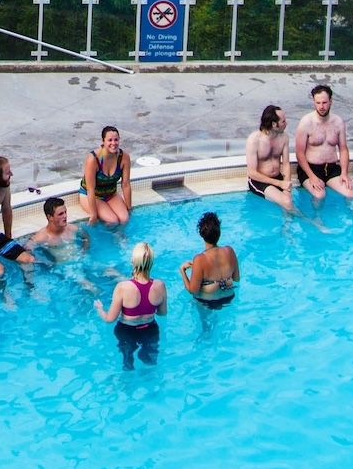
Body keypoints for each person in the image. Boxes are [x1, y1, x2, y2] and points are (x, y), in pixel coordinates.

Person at [97, 241, 167, 369]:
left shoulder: (122, 287)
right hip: (150, 329)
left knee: (128, 362)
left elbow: (109, 319)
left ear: (133, 261)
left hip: (127, 331)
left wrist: (100, 309)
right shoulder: (160, 285)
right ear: (152, 262)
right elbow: (162, 313)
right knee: (150, 363)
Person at [295, 84, 353, 204]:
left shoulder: (338, 122)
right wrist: (311, 176)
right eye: (318, 103)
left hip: (332, 168)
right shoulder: (306, 122)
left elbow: (343, 149)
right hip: (311, 169)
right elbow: (299, 153)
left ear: (331, 102)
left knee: (350, 194)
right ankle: (315, 216)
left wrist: (344, 173)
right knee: (319, 195)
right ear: (314, 102)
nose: (321, 107)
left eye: (324, 102)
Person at [179, 211, 238, 308]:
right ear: (219, 233)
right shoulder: (230, 251)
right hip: (229, 298)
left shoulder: (199, 259)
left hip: (207, 302)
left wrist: (182, 271)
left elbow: (193, 291)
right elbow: (236, 278)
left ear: (201, 234)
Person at [243, 105, 295, 213]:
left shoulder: (284, 137)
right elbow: (252, 173)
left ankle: (288, 223)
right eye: (283, 121)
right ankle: (305, 220)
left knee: (287, 200)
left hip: (278, 178)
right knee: (287, 202)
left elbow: (286, 164)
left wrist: (286, 187)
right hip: (260, 181)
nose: (286, 124)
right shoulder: (254, 140)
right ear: (274, 124)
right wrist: (279, 184)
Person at [81, 126, 133, 228]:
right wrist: (93, 214)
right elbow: (90, 189)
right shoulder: (93, 159)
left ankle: (121, 236)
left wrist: (129, 207)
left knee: (124, 219)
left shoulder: (124, 157)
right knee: (112, 220)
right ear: (103, 141)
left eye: (116, 140)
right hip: (92, 195)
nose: (113, 143)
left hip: (111, 194)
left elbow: (126, 184)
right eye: (110, 140)